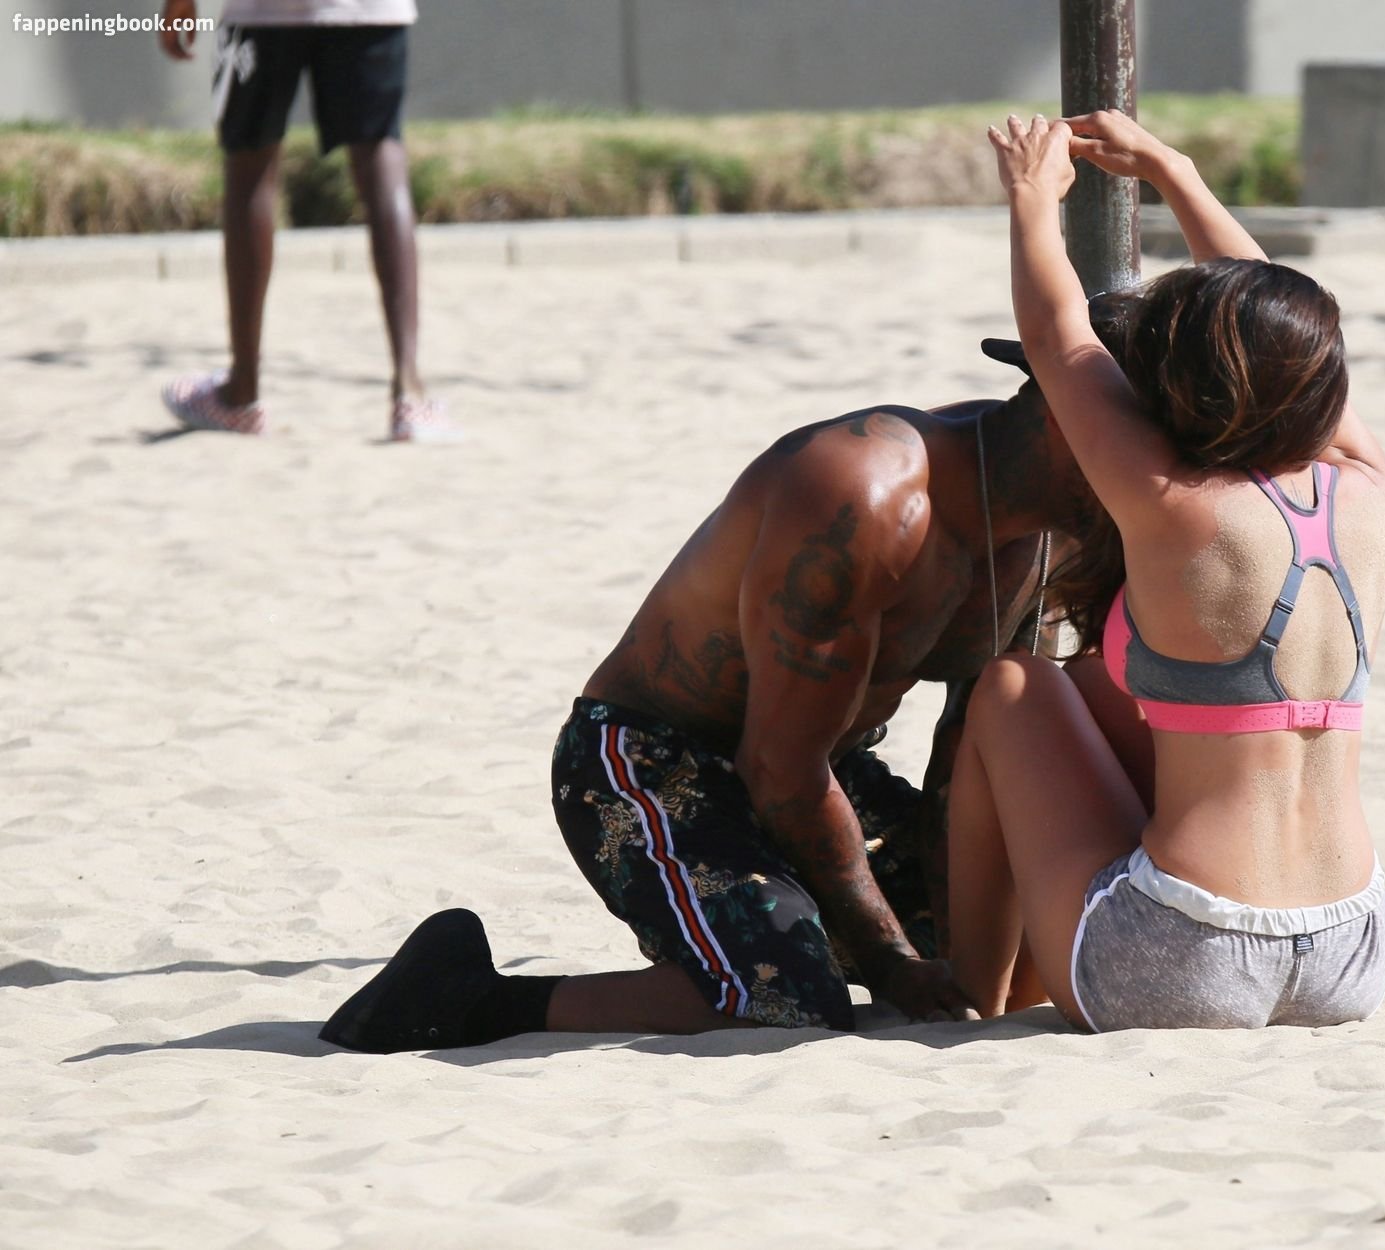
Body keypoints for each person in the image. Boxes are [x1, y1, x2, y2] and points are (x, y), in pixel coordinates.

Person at [320, 365, 1112, 1050]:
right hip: (649, 762)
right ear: (1063, 417)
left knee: (1021, 939)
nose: (1154, 477)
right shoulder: (865, 494)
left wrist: (952, 956)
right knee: (785, 999)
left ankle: (754, 937)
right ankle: (463, 994)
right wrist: (890, 962)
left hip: (829, 772)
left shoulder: (1060, 530)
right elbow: (779, 766)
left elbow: (963, 757)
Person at [945, 111, 1385, 1032]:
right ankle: (1011, 971)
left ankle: (972, 996)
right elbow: (1281, 334)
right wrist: (1175, 173)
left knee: (1013, 686)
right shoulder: (1369, 490)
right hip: (1352, 949)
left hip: (1185, 952)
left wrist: (1030, 194)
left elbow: (1061, 339)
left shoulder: (1173, 505)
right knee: (1092, 691)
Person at [157, 0, 456, 442]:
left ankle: (241, 393)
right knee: (381, 157)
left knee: (250, 172)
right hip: (369, 10)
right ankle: (409, 392)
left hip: (260, 13)